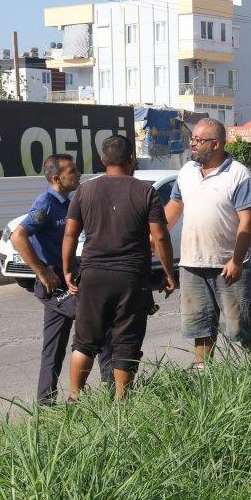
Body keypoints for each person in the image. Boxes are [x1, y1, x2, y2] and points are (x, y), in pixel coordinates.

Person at [63, 135, 175, 401]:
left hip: (93, 275)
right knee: (127, 341)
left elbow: (69, 234)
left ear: (103, 160)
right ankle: (120, 402)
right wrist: (169, 273)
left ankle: (73, 397)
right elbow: (159, 236)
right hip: (132, 278)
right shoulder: (145, 191)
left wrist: (67, 269)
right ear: (132, 159)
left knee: (85, 341)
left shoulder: (85, 191)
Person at [8, 154, 112, 404]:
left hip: (68, 279)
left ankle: (45, 403)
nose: (78, 174)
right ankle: (113, 392)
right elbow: (18, 237)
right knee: (99, 326)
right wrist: (42, 271)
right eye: (72, 171)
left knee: (53, 346)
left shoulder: (68, 203)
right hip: (53, 284)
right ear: (56, 178)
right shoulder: (45, 204)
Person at [165, 118, 251, 367]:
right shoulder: (186, 172)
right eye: (192, 139)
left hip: (228, 266)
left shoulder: (239, 174)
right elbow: (175, 206)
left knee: (243, 326)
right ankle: (202, 377)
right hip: (192, 265)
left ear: (216, 144)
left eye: (198, 140)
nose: (192, 144)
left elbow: (247, 222)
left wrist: (236, 260)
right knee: (200, 327)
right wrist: (155, 236)